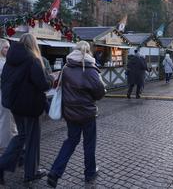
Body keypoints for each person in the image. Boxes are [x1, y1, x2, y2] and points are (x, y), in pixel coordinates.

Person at [47, 41, 106, 188]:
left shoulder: (66, 68)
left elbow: (58, 87)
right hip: (87, 114)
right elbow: (99, 93)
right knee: (89, 143)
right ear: (88, 52)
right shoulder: (91, 69)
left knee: (71, 141)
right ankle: (90, 172)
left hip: (70, 113)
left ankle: (55, 172)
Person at [0, 33, 54, 186]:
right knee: (32, 139)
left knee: (21, 136)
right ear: (33, 44)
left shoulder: (10, 60)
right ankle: (31, 173)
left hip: (15, 105)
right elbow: (43, 84)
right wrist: (51, 78)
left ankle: (2, 164)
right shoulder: (33, 59)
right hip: (30, 106)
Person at [0, 39, 17, 153]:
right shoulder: (1, 62)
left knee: (9, 120)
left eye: (9, 47)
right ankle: (5, 146)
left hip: (9, 93)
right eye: (6, 47)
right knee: (5, 120)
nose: (8, 49)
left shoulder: (7, 60)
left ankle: (10, 145)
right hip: (3, 93)